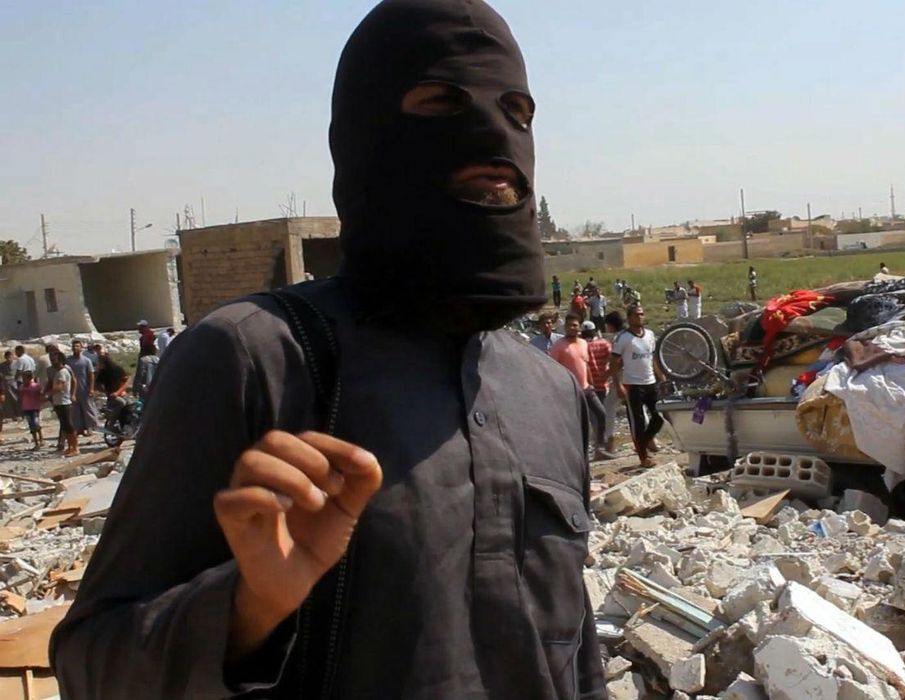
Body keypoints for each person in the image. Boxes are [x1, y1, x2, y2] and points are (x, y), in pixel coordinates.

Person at [52, 2, 605, 698]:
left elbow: (571, 659)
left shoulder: (546, 392)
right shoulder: (252, 359)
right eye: (441, 101)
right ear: (370, 133)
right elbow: (91, 663)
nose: (494, 131)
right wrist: (249, 609)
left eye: (518, 112)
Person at [550, 315, 613, 461]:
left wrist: (592, 384)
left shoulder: (583, 343)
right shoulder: (559, 346)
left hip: (587, 388)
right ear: (565, 327)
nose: (573, 328)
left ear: (579, 327)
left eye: (575, 325)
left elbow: (586, 365)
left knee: (601, 414)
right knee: (577, 423)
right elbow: (552, 369)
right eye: (570, 325)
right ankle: (578, 455)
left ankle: (600, 448)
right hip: (570, 391)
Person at [611, 304, 666, 468]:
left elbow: (652, 358)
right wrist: (618, 385)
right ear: (629, 318)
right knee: (638, 422)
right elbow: (613, 363)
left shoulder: (649, 335)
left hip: (650, 382)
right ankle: (643, 457)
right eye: (636, 315)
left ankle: (645, 441)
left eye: (641, 314)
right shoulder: (623, 338)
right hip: (633, 385)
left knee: (659, 417)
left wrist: (660, 375)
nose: (639, 317)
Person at [582, 320, 616, 455]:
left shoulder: (582, 346)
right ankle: (605, 445)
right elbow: (613, 359)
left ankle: (600, 445)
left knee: (594, 418)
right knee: (603, 415)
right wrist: (607, 374)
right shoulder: (604, 344)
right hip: (602, 384)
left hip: (588, 386)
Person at [600, 311, 625, 454]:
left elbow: (618, 362)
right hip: (633, 375)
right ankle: (648, 439)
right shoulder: (629, 335)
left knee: (609, 406)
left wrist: (607, 374)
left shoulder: (618, 338)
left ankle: (610, 439)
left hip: (621, 377)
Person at [47, 351, 78, 456]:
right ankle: (70, 447)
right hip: (59, 402)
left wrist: (47, 395)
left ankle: (75, 448)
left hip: (64, 402)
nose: (52, 362)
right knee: (65, 426)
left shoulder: (63, 372)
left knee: (69, 426)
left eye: (54, 360)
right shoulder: (57, 372)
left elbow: (60, 387)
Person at [66, 340, 98, 436]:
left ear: (81, 348)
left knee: (88, 408)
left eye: (77, 346)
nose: (75, 348)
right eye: (74, 346)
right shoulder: (69, 361)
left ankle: (90, 427)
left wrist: (91, 388)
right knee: (76, 410)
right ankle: (79, 428)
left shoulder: (86, 361)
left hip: (84, 388)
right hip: (73, 390)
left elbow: (91, 375)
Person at [20, 371, 44, 450]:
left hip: (35, 407)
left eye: (25, 378)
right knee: (31, 425)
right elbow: (21, 396)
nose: (23, 380)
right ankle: (36, 442)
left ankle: (41, 438)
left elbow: (40, 395)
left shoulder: (36, 386)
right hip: (26, 408)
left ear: (29, 378)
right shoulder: (22, 387)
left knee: (36, 423)